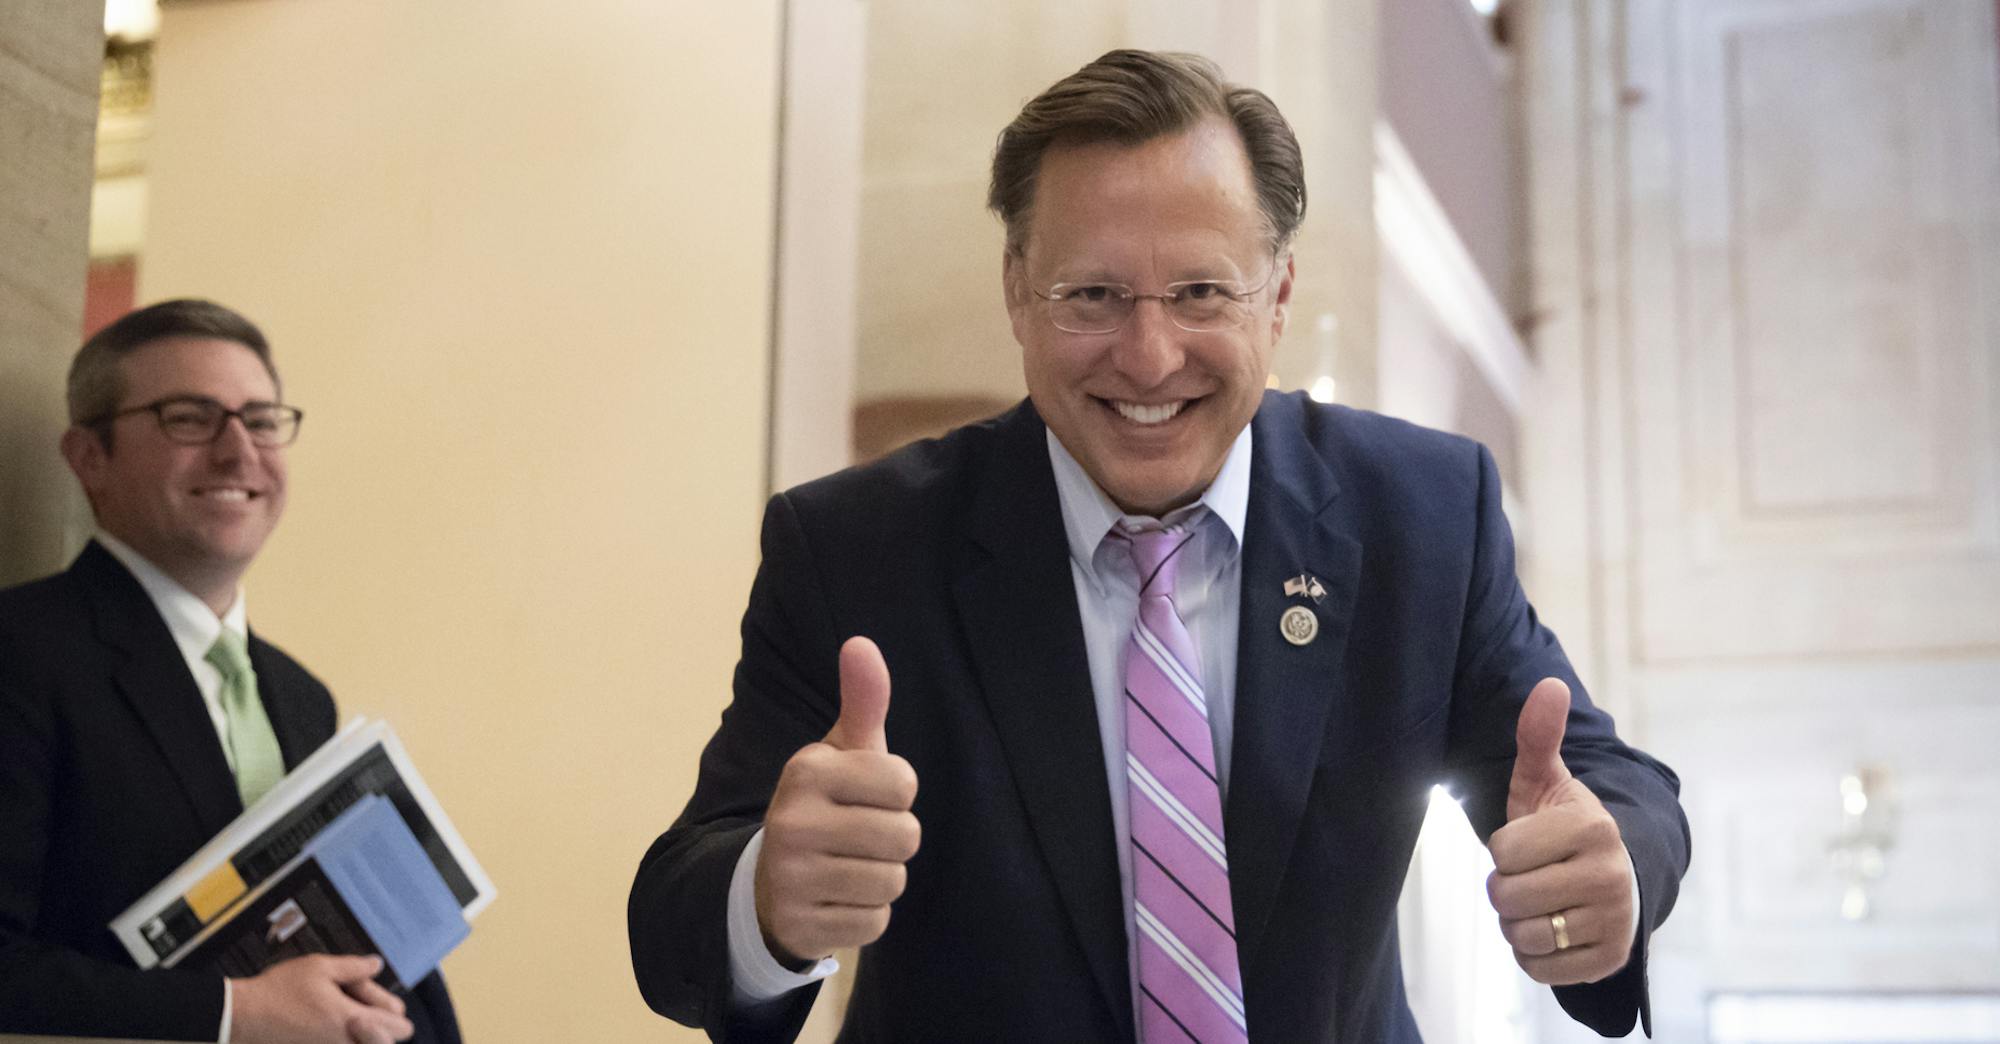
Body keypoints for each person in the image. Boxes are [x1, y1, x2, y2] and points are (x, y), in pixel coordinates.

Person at [629, 50, 1688, 1042]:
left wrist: (1611, 873)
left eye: (1199, 292)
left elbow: (1606, 781)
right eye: (1091, 295)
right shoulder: (855, 549)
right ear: (1016, 290)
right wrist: (770, 897)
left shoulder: (1420, 512)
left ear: (1276, 295)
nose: (1148, 356)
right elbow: (675, 919)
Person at [0, 299, 460, 1043]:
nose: (238, 450)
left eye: (262, 419)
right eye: (189, 417)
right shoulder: (22, 651)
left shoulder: (301, 696)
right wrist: (235, 1013)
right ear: (91, 457)